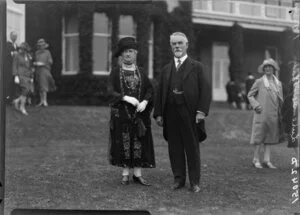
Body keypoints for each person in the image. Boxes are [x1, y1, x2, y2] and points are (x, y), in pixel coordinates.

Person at [153, 32, 211, 193]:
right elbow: (161, 92)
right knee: (175, 148)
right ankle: (178, 179)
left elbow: (206, 90)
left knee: (192, 147)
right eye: (174, 44)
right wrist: (158, 113)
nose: (177, 46)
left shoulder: (197, 67)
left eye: (180, 43)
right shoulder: (166, 69)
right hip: (171, 113)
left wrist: (201, 111)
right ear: (171, 46)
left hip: (191, 113)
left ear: (187, 45)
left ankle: (194, 182)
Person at [107, 37, 155, 186]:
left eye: (131, 51)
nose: (128, 55)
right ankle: (125, 174)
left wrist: (145, 101)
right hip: (122, 115)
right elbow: (109, 91)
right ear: (121, 55)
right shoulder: (115, 73)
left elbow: (150, 89)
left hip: (139, 115)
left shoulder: (141, 72)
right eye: (125, 52)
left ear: (136, 54)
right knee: (124, 142)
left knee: (139, 142)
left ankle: (138, 174)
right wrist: (125, 98)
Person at [248, 58, 284, 169]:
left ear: (274, 69)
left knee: (270, 138)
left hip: (273, 115)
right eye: (266, 67)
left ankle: (267, 160)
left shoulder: (278, 84)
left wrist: (280, 112)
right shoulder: (259, 82)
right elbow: (250, 95)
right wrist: (256, 105)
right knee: (259, 137)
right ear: (264, 69)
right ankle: (255, 159)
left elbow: (280, 100)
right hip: (261, 114)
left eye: (270, 67)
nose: (268, 68)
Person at [282, 61, 299, 168]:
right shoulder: (293, 81)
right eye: (293, 68)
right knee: (294, 137)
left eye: (295, 68)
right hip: (293, 111)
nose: (293, 70)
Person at [11, 42, 34, 115]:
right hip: (21, 75)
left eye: (22, 49)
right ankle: (22, 107)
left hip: (28, 75)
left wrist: (31, 76)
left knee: (29, 90)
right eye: (20, 48)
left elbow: (30, 67)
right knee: (25, 89)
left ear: (25, 50)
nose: (20, 50)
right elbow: (14, 66)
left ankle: (17, 101)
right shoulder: (17, 55)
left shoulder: (28, 56)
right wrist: (16, 76)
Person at [34, 38, 56, 107]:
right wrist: (35, 63)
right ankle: (41, 101)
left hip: (45, 70)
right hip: (38, 70)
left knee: (44, 85)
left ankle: (45, 101)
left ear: (44, 46)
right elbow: (34, 60)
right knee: (40, 86)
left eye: (42, 45)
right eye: (40, 46)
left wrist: (43, 63)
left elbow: (50, 61)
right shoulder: (36, 53)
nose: (41, 47)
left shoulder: (47, 52)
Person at [5, 31, 19, 103]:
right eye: (13, 36)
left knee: (14, 82)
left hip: (15, 67)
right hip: (8, 67)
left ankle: (12, 98)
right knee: (8, 82)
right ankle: (7, 99)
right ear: (10, 36)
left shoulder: (17, 45)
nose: (15, 37)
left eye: (16, 36)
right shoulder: (7, 44)